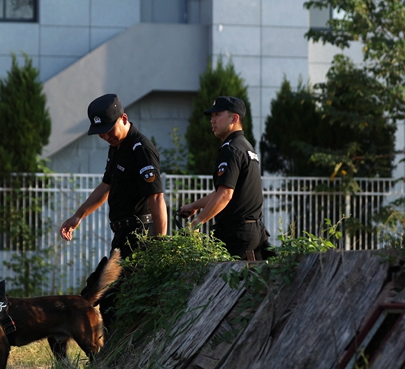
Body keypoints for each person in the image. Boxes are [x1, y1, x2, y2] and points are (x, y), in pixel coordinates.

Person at [59, 93, 166, 259]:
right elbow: (105, 186)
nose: (106, 137)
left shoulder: (141, 148)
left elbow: (157, 197)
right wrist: (78, 215)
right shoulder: (116, 147)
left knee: (111, 284)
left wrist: (160, 246)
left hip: (140, 236)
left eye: (109, 130)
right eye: (101, 133)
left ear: (123, 118)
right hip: (122, 235)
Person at [178, 96, 272, 260]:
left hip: (237, 235)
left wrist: (196, 223)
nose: (212, 120)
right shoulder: (246, 146)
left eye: (217, 115)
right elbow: (224, 191)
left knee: (229, 284)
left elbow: (225, 195)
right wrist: (194, 206)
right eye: (212, 116)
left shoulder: (230, 149)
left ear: (234, 118)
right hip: (254, 232)